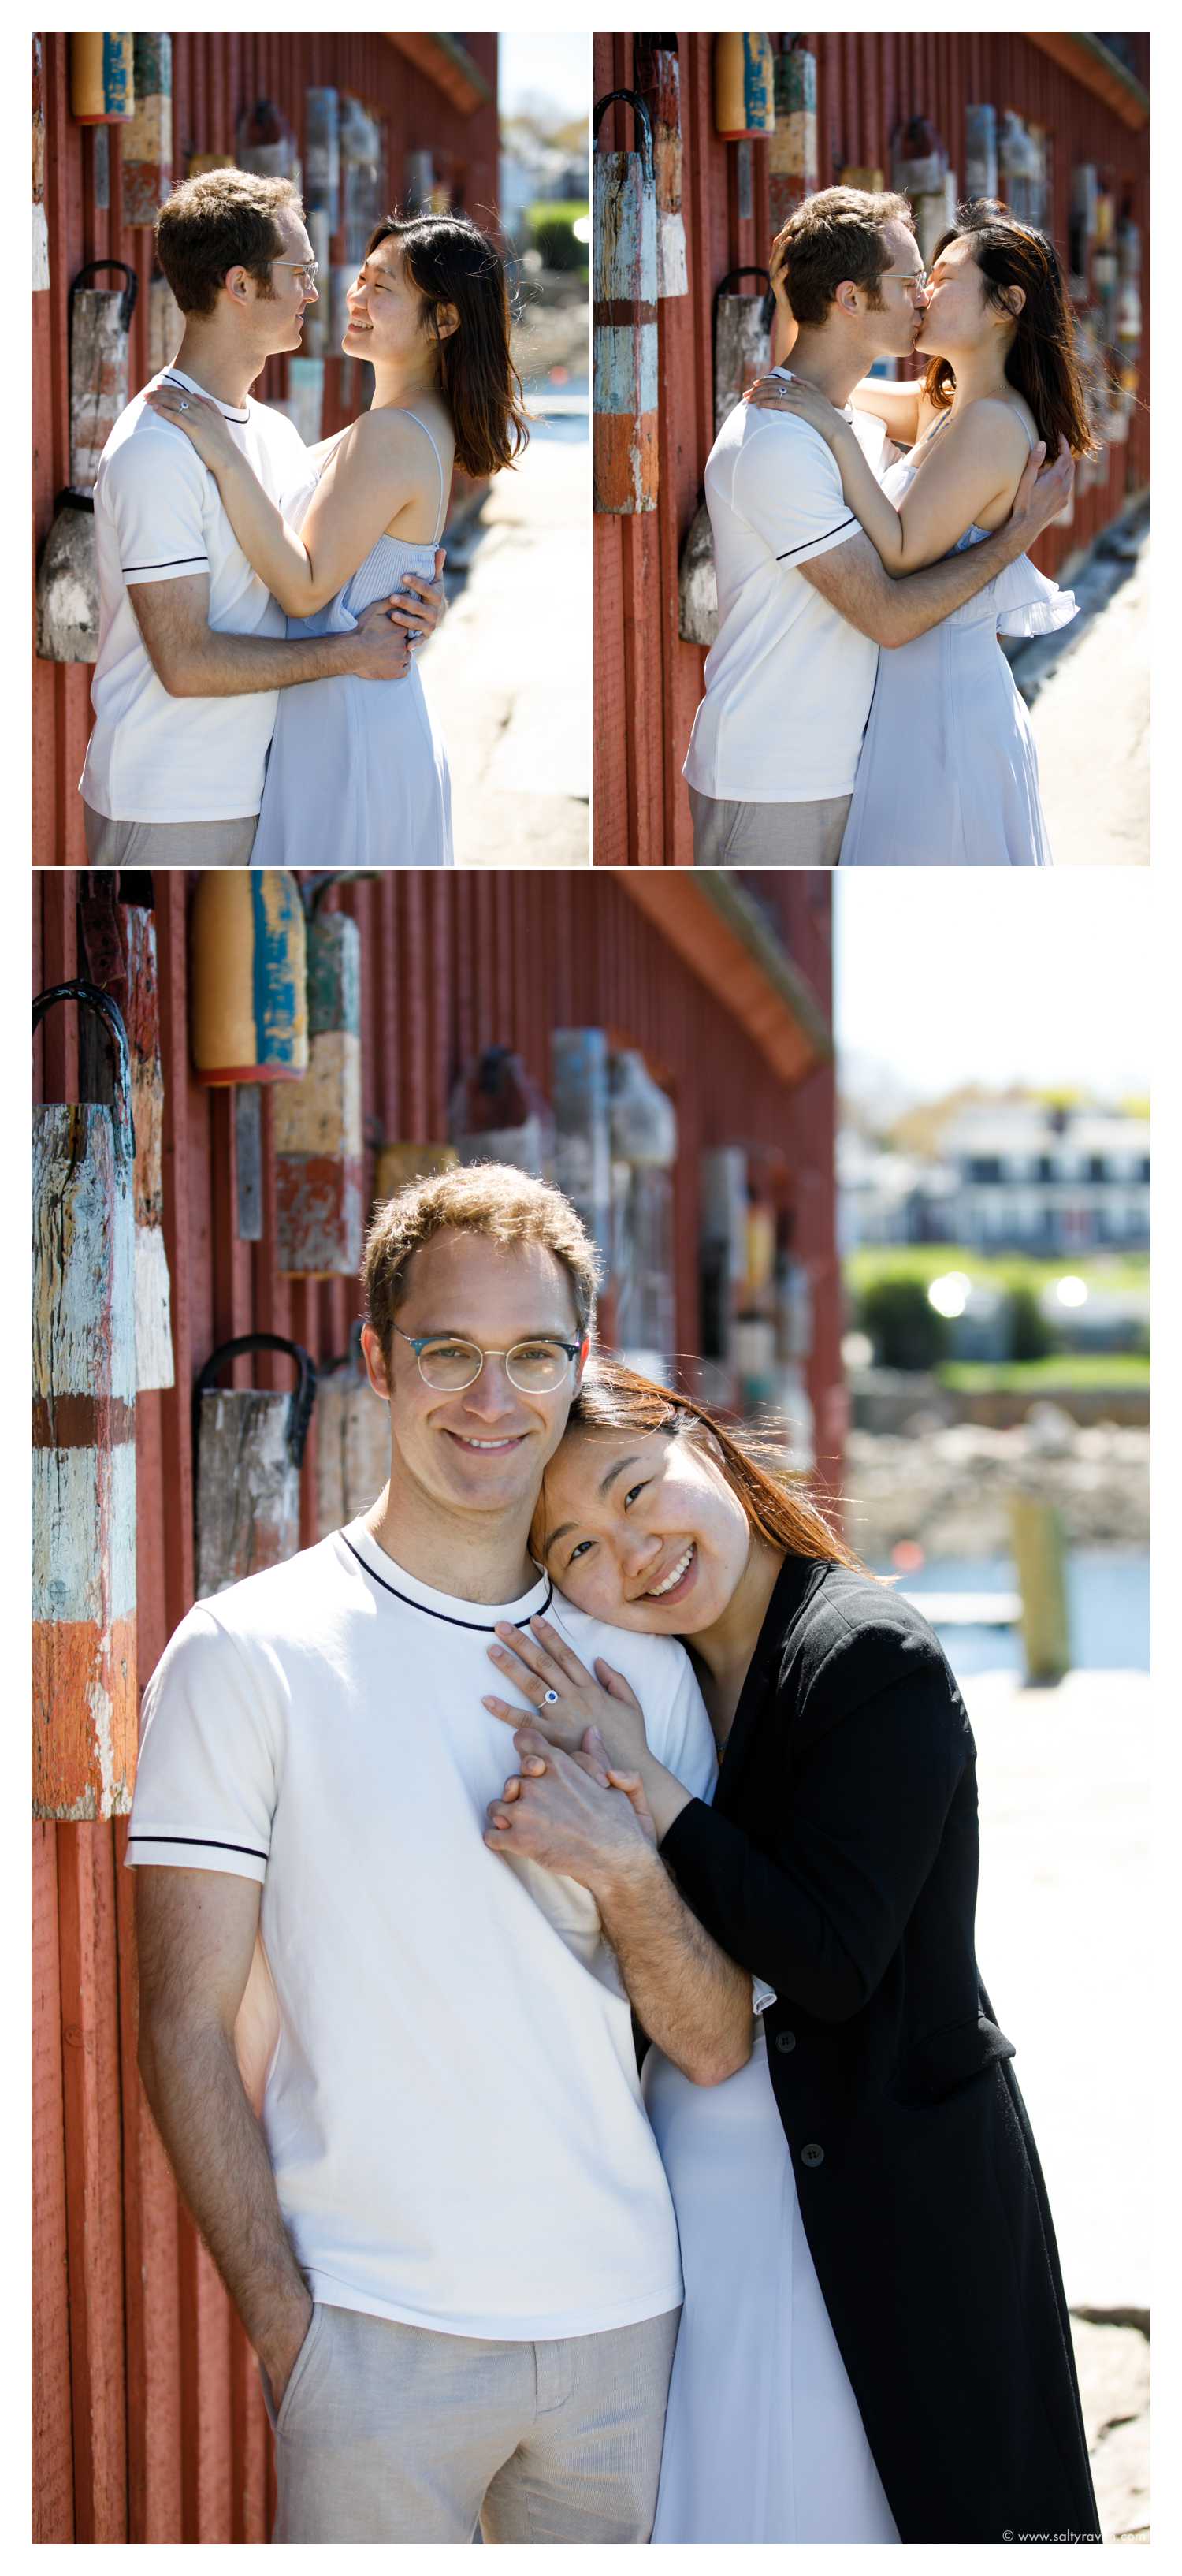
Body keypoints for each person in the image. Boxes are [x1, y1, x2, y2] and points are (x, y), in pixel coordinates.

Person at [128, 1167, 762, 2546]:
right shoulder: (248, 1652)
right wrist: (293, 2334)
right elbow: (179, 2021)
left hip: (623, 2325)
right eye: (450, 1352)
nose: (494, 1399)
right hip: (370, 2334)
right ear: (377, 1361)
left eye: (533, 1353)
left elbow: (714, 2040)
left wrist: (624, 1861)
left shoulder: (641, 1677)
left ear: (579, 1363)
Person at [482, 1359, 1102, 2546]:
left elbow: (830, 1961)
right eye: (575, 1552)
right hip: (710, 2190)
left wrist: (644, 1791)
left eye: (631, 1491)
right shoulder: (675, 1679)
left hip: (889, 2183)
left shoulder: (867, 1658)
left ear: (698, 1440)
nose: (631, 1553)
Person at [681, 187, 1074, 868]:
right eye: (917, 279)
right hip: (784, 765)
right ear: (852, 299)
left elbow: (892, 563)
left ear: (1007, 308)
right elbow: (815, 377)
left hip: (919, 723)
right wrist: (796, 295)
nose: (924, 295)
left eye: (939, 281)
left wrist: (1016, 537)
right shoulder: (873, 419)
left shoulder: (941, 421)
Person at [80, 171, 444, 867]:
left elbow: (317, 566)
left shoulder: (271, 434)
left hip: (260, 787)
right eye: (299, 271)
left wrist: (411, 598)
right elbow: (185, 663)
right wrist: (351, 654)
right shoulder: (157, 449)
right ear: (241, 286)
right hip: (171, 799)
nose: (316, 291)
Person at [150, 210, 529, 868]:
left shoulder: (394, 434)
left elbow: (302, 589)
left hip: (351, 735)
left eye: (381, 288)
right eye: (360, 278)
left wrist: (222, 455)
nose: (353, 298)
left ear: (444, 320)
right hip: (349, 721)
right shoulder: (394, 425)